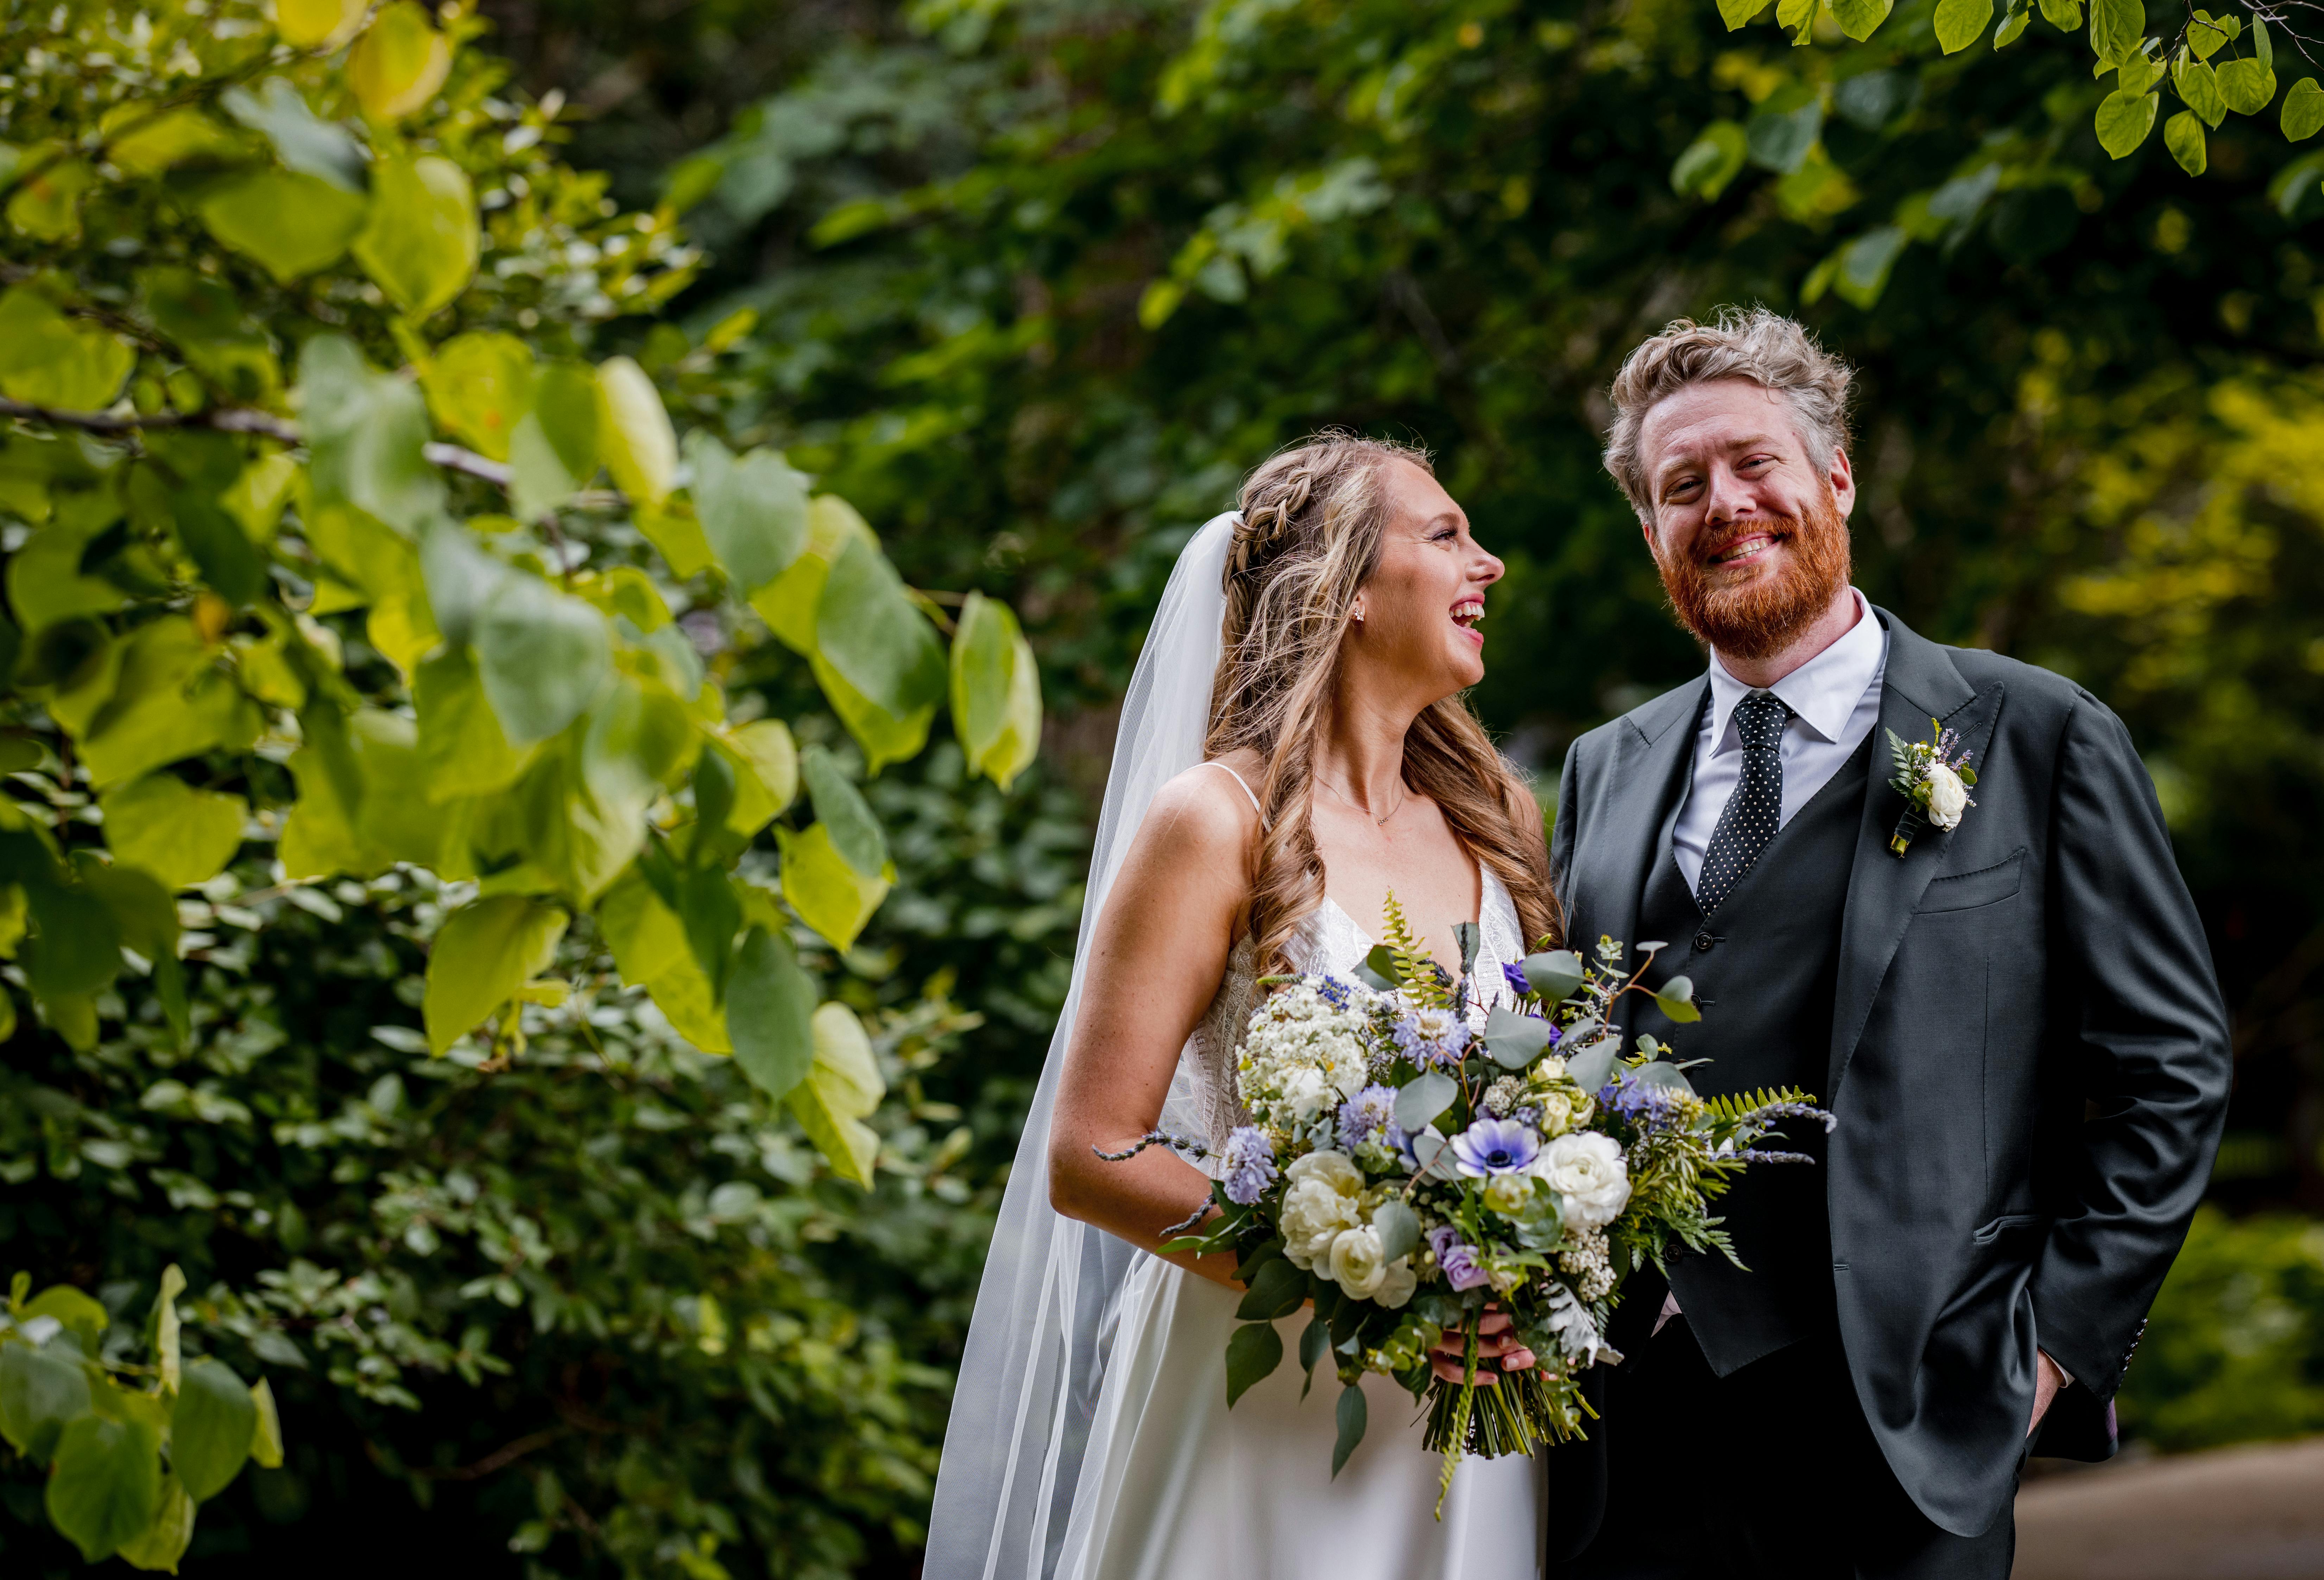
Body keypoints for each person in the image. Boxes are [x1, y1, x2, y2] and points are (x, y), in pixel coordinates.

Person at [1540, 308, 2233, 1579]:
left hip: (1907, 1417)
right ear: (1650, 531)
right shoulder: (1602, 768)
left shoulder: (2036, 732)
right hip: (1629, 1428)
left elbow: (2169, 1069)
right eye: (1680, 486)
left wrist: (2048, 1352)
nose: (1725, 505)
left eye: (1756, 465)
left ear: (1835, 477)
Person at [927, 434, 1558, 1580]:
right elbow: (1092, 1154)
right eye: (1446, 534)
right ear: (1350, 589)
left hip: (1463, 1423)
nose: (1492, 564)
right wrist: (1389, 1286)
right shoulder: (1215, 819)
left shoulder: (1493, 823)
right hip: (1267, 1386)